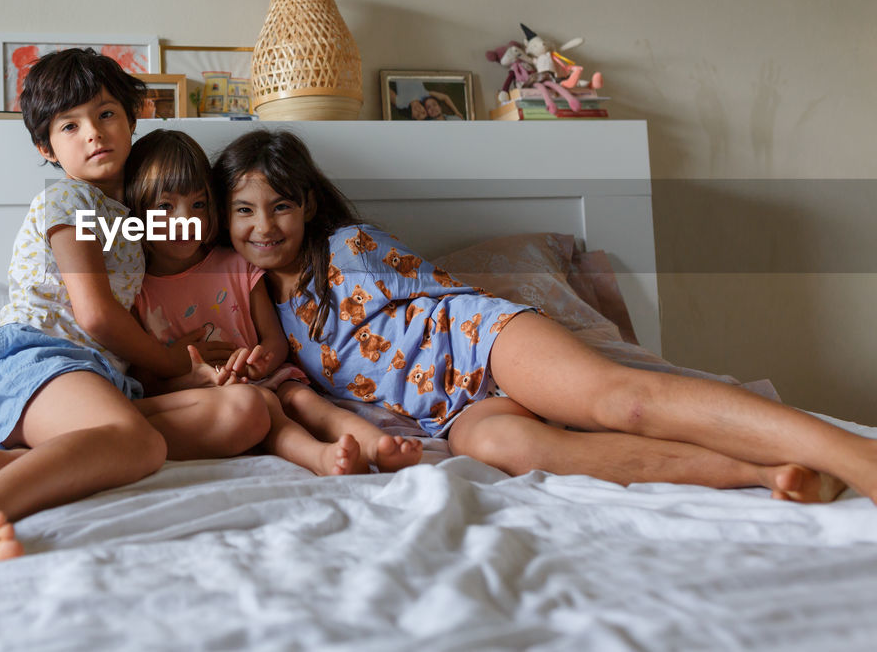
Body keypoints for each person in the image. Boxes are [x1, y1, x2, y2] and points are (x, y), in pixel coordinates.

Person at [211, 129, 877, 505]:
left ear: (305, 206)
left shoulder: (348, 248)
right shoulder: (260, 309)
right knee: (518, 450)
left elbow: (445, 295)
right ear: (224, 219)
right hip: (450, 411)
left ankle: (855, 451)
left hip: (479, 344)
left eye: (280, 206)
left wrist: (546, 345)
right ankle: (765, 474)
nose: (264, 226)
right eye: (244, 210)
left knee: (625, 401)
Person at [0, 50, 270, 559]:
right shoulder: (68, 202)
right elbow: (95, 315)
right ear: (47, 147)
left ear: (133, 119)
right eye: (70, 126)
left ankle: (27, 461)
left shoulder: (130, 218)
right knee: (140, 443)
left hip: (103, 379)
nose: (94, 132)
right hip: (36, 363)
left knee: (248, 411)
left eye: (106, 114)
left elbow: (190, 238)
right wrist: (179, 360)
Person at [123, 129, 423, 475]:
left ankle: (378, 445)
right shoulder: (137, 291)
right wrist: (192, 380)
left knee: (306, 402)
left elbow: (274, 339)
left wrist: (260, 363)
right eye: (164, 206)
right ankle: (321, 459)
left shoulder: (236, 265)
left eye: (199, 204)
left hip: (267, 378)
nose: (186, 219)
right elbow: (145, 381)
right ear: (136, 213)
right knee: (266, 408)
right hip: (204, 397)